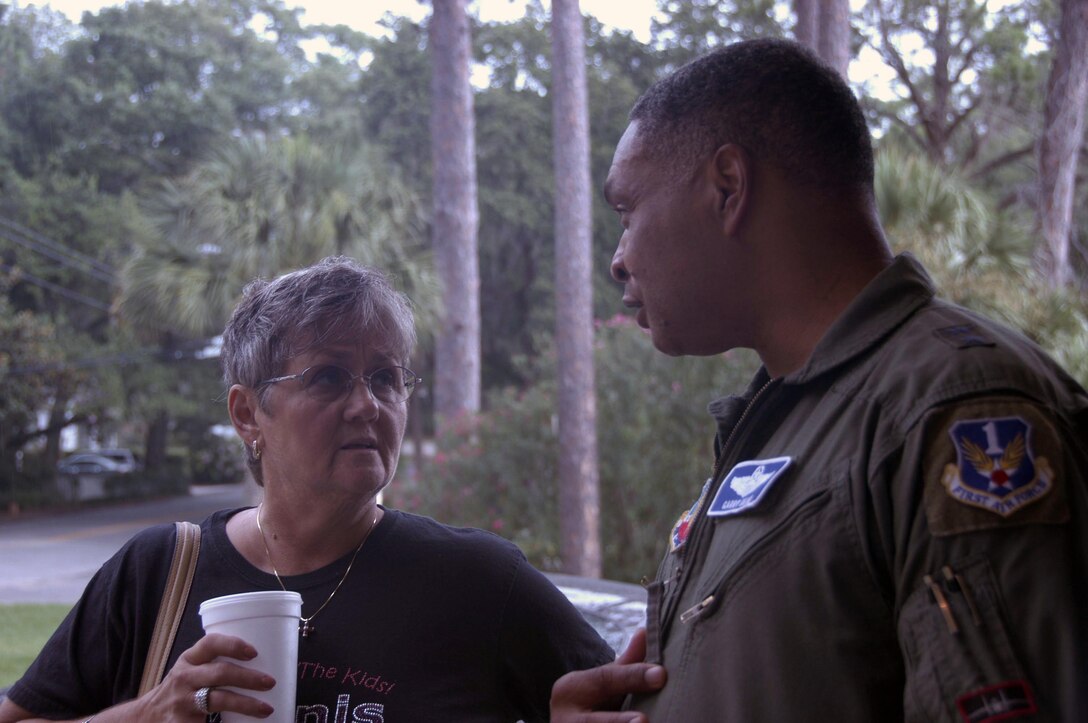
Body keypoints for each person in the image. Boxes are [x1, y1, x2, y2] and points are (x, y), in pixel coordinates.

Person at [551, 38, 1088, 721]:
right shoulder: (791, 414)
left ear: (727, 188)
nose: (618, 261)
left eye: (627, 213)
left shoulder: (953, 411)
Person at [1, 256, 613, 723]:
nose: (367, 404)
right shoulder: (157, 572)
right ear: (248, 415)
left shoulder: (477, 581)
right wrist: (146, 713)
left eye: (385, 377)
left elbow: (629, 699)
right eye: (327, 377)